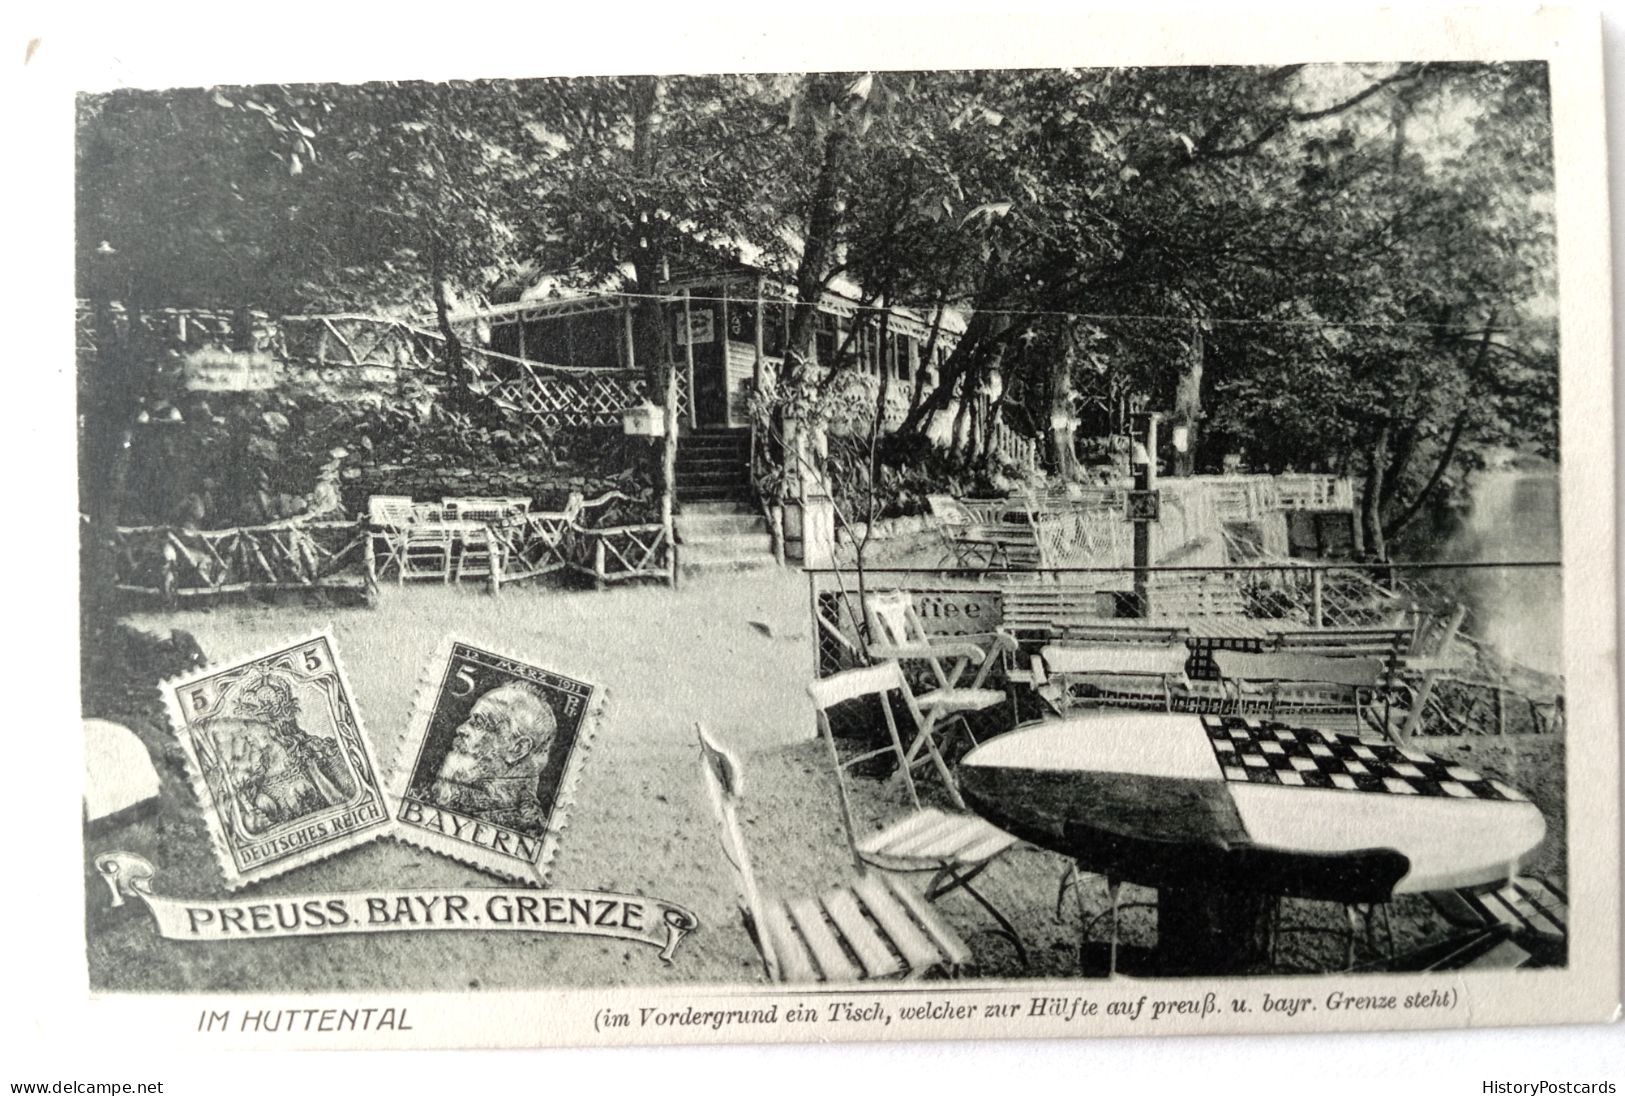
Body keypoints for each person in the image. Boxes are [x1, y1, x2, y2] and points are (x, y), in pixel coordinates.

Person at [215, 671, 358, 831]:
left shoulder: (319, 752)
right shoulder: (248, 770)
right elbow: (226, 819)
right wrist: (249, 822)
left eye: (251, 726)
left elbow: (353, 805)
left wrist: (317, 776)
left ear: (272, 728)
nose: (246, 734)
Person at [425, 683, 558, 834]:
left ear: (517, 749)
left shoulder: (530, 830)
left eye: (479, 723)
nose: (461, 729)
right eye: (470, 720)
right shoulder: (448, 797)